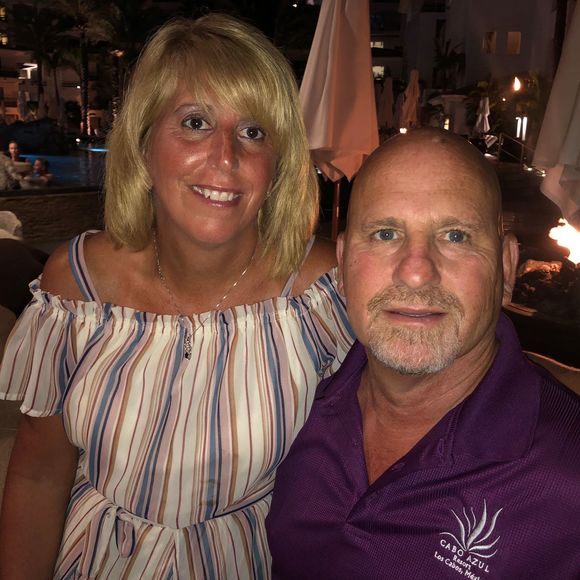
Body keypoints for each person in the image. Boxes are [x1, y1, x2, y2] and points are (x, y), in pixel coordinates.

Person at [0, 15, 353, 579]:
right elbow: (39, 473)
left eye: (253, 132)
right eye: (194, 122)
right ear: (144, 147)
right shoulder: (77, 286)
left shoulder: (321, 293)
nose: (225, 156)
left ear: (278, 164)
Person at [267, 128, 580, 579]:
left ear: (507, 267)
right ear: (343, 265)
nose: (416, 272)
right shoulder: (290, 409)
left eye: (455, 235)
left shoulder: (567, 481)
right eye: (385, 233)